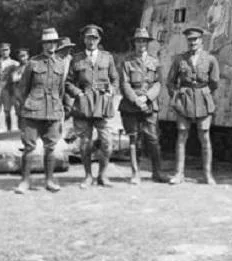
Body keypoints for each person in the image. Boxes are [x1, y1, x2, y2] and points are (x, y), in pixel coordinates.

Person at [66, 24, 119, 188]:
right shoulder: (76, 58)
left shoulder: (107, 57)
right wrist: (78, 94)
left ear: (99, 39)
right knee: (85, 143)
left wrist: (111, 91)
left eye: (94, 38)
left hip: (102, 104)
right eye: (88, 37)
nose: (91, 41)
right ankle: (88, 176)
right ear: (84, 39)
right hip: (83, 105)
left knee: (107, 142)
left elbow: (115, 79)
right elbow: (68, 82)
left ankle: (103, 175)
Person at [166, 26, 220, 185]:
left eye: (195, 39)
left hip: (203, 101)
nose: (193, 42)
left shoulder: (210, 59)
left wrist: (204, 94)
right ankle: (179, 173)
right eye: (190, 40)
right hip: (184, 101)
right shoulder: (179, 59)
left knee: (204, 136)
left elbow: (214, 82)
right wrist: (176, 96)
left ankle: (207, 175)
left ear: (201, 40)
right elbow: (170, 82)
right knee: (182, 135)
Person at [15, 28, 66, 194]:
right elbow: (22, 90)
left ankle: (49, 180)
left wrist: (59, 109)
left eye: (52, 42)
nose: (50, 46)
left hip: (53, 111)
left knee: (50, 147)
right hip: (32, 112)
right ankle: (25, 181)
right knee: (29, 147)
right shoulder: (32, 63)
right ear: (42, 45)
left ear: (56, 44)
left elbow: (60, 90)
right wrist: (24, 111)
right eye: (46, 43)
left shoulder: (60, 63)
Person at [119, 27, 168, 184]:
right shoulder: (127, 62)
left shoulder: (155, 62)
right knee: (134, 140)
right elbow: (124, 83)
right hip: (131, 106)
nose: (141, 44)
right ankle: (135, 173)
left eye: (144, 41)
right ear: (134, 43)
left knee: (153, 138)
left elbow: (159, 83)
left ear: (148, 44)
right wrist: (135, 99)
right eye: (139, 41)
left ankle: (157, 172)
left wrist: (147, 98)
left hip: (149, 105)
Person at [9, 48, 31, 127]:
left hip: (30, 94)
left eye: (24, 56)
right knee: (19, 114)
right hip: (19, 94)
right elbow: (14, 81)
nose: (22, 58)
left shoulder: (32, 66)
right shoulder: (17, 69)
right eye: (20, 56)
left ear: (28, 56)